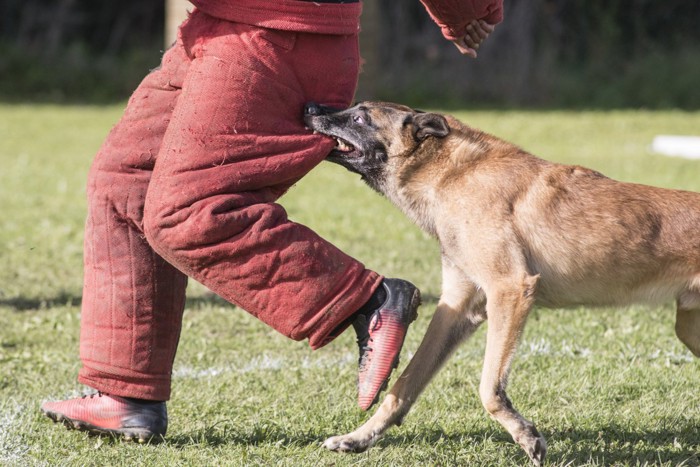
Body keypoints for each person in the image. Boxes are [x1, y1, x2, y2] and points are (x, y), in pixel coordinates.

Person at [41, 0, 503, 442]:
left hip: (279, 37)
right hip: (223, 25)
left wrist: (464, 11)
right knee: (126, 180)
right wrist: (465, 11)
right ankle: (125, 392)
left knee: (187, 210)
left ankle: (366, 301)